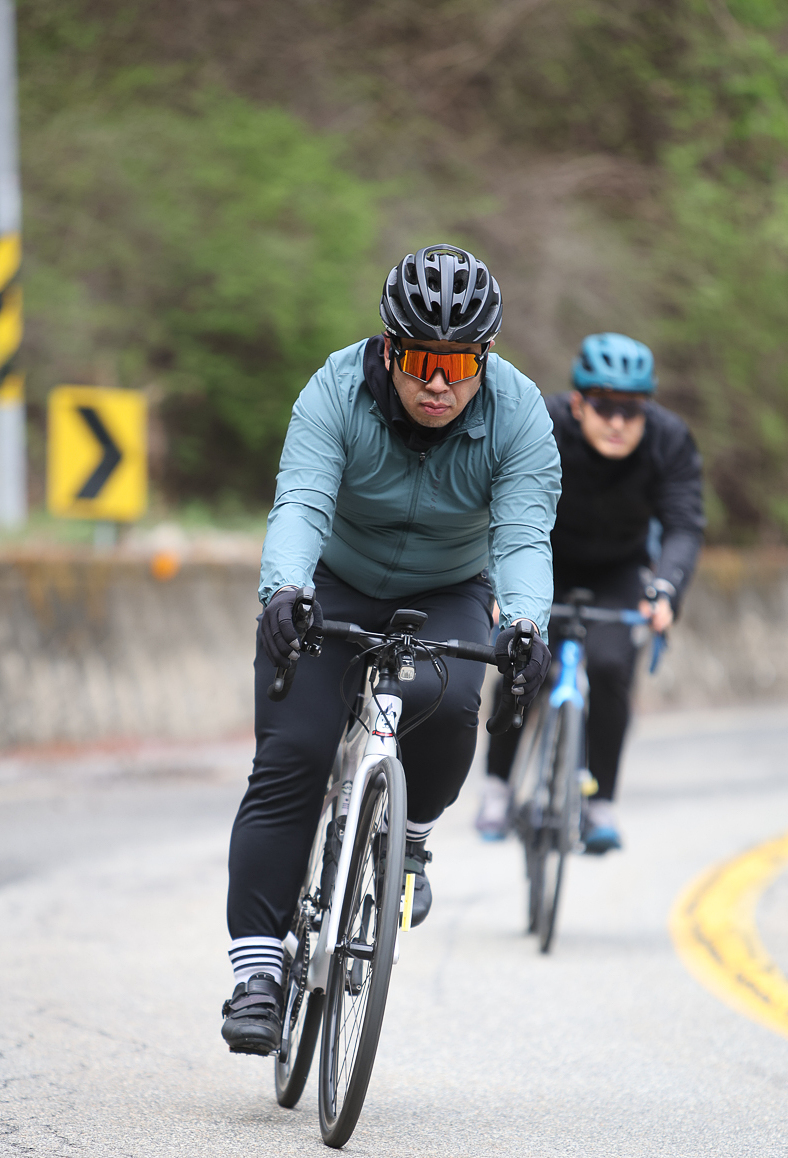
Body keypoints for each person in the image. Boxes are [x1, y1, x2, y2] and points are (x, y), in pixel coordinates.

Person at [221, 244, 561, 1055]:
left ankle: (407, 840)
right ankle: (258, 972)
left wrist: (525, 623)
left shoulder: (519, 414)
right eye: (420, 361)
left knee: (451, 703)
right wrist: (285, 590)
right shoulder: (334, 390)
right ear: (387, 350)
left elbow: (522, 534)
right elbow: (302, 501)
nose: (438, 384)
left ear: (484, 358)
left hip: (448, 588)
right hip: (332, 582)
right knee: (293, 755)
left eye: (459, 364)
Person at [476, 332, 705, 853]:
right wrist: (496, 581)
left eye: (631, 409)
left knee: (609, 667)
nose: (618, 422)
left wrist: (665, 590)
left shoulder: (669, 440)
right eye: (604, 407)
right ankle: (497, 786)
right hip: (542, 559)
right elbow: (499, 502)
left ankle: (600, 800)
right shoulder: (544, 425)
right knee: (521, 657)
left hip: (618, 570)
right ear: (579, 403)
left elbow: (684, 525)